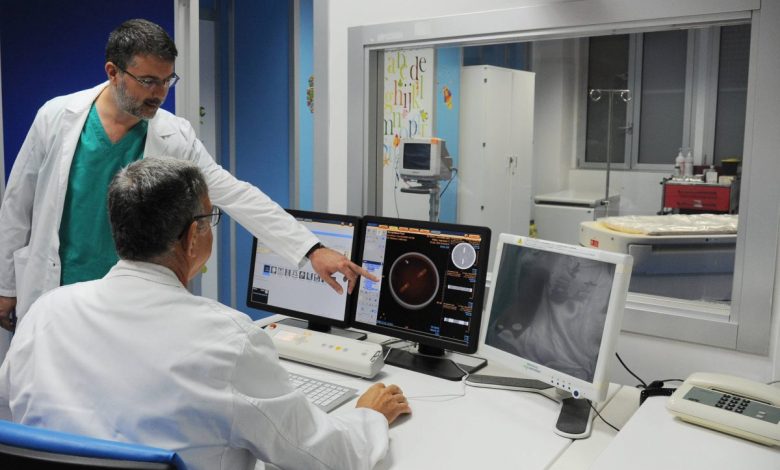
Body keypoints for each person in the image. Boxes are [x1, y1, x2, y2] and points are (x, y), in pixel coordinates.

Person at [0, 158, 411, 470]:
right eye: (210, 219)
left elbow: (9, 416)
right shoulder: (227, 338)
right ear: (193, 237)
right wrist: (368, 417)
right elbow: (325, 456)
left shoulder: (46, 312)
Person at [0, 18, 373, 335]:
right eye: (148, 81)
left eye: (168, 80)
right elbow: (18, 204)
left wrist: (311, 250)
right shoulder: (56, 117)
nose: (160, 93)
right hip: (57, 290)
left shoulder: (174, 136)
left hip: (129, 300)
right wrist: (5, 287)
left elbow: (235, 194)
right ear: (113, 72)